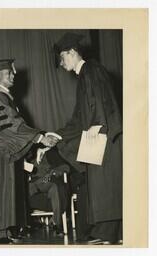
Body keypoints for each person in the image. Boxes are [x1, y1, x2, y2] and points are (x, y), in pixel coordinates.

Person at [0, 59, 57, 244]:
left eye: (12, 73)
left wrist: (37, 138)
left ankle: (6, 231)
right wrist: (38, 137)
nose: (13, 75)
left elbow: (12, 125)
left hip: (3, 150)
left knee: (5, 191)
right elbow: (10, 125)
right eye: (8, 72)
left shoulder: (4, 97)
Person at [53, 33, 123, 244]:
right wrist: (58, 134)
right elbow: (79, 117)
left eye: (62, 58)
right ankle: (105, 231)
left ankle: (109, 233)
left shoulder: (92, 69)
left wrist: (99, 123)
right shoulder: (84, 75)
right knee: (99, 184)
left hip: (103, 135)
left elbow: (103, 97)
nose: (61, 64)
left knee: (106, 185)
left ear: (72, 53)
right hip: (96, 134)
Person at [27, 146, 70, 235]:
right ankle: (24, 225)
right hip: (31, 181)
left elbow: (66, 167)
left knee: (55, 187)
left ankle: (56, 223)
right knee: (24, 190)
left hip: (46, 180)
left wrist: (53, 173)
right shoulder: (30, 152)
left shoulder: (52, 153)